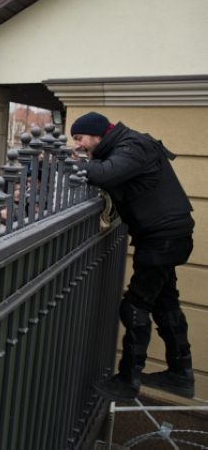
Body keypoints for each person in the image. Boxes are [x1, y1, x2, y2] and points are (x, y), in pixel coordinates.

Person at [71, 111, 195, 401]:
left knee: (134, 306)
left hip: (162, 237)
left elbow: (105, 174)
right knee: (165, 301)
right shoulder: (126, 144)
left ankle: (128, 379)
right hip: (165, 235)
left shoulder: (132, 146)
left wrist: (74, 162)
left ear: (98, 134)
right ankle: (180, 373)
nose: (77, 144)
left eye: (80, 138)